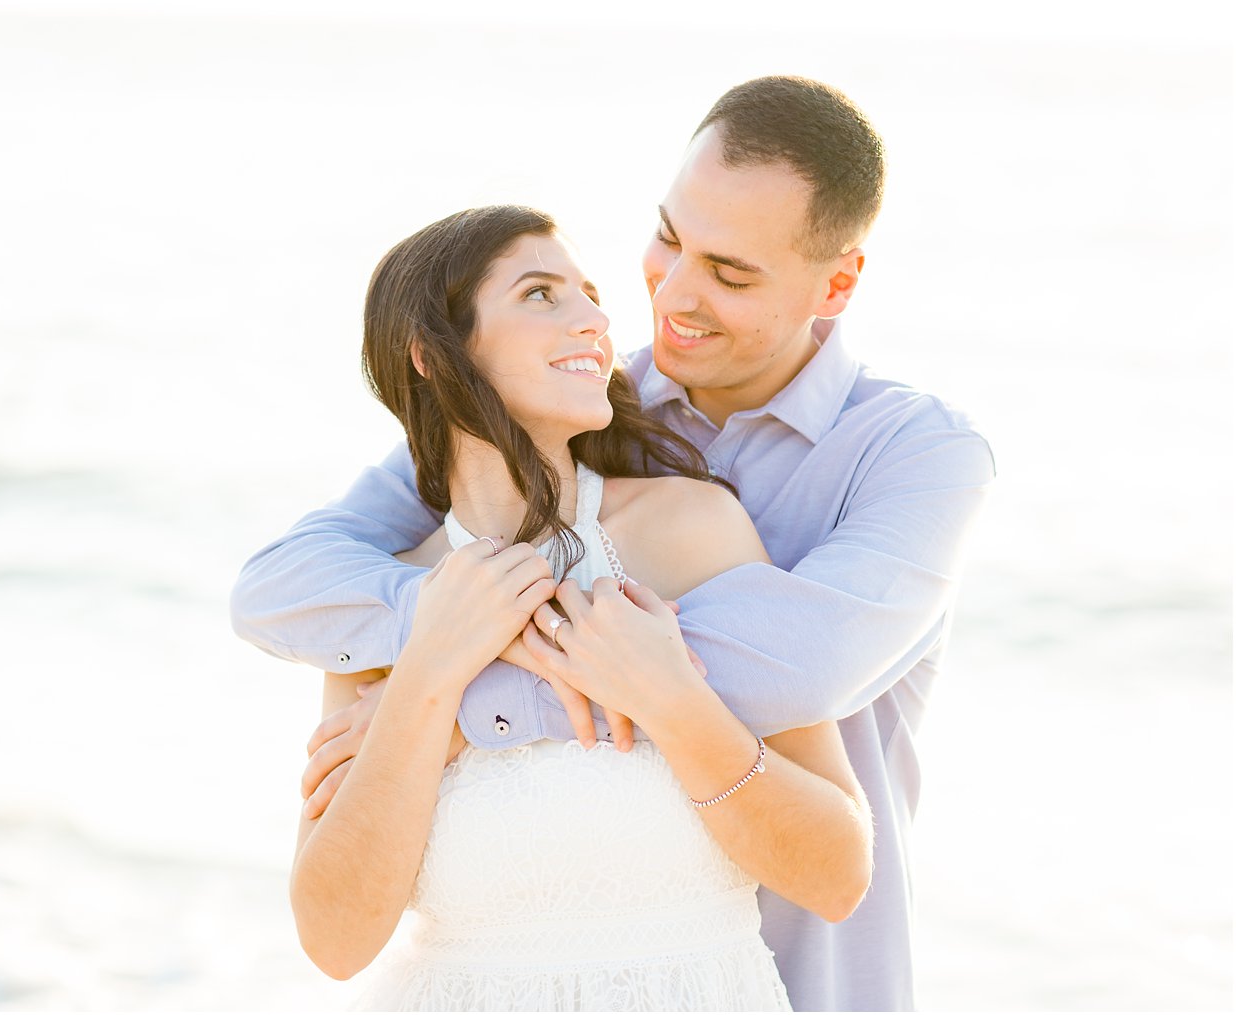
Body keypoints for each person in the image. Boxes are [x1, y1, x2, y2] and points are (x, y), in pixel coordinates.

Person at [233, 76, 995, 1012]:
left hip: (814, 979)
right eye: (669, 238)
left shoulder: (899, 460)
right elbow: (288, 580)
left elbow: (809, 667)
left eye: (730, 270)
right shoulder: (569, 419)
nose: (662, 296)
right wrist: (431, 648)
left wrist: (467, 683)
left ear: (834, 286)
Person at [289, 203, 872, 1011]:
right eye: (540, 294)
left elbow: (838, 874)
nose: (597, 320)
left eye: (591, 294)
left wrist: (671, 698)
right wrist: (429, 674)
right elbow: (335, 940)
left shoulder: (693, 531)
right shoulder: (384, 601)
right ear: (432, 355)